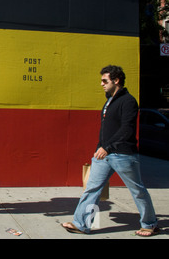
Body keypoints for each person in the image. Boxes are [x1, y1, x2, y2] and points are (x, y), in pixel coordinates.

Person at [62, 65, 159, 237]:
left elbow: (127, 129)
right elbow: (106, 129)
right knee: (91, 190)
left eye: (104, 81)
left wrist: (107, 147)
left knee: (137, 191)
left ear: (116, 80)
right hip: (104, 155)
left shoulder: (128, 101)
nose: (101, 84)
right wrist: (99, 147)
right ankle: (81, 224)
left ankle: (149, 224)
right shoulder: (109, 100)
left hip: (123, 155)